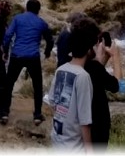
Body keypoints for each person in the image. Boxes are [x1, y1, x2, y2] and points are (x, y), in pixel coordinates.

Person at [0, 0, 56, 125]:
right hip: (33, 56)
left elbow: (8, 35)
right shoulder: (41, 22)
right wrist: (47, 52)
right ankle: (37, 115)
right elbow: (50, 40)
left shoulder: (18, 19)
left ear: (26, 7)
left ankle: (4, 113)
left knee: (9, 84)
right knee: (37, 85)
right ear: (38, 10)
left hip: (17, 55)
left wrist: (5, 52)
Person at [50, 19, 97, 151]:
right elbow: (85, 121)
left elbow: (53, 102)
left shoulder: (61, 70)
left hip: (57, 140)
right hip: (74, 147)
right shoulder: (83, 77)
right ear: (89, 50)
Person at [85, 30, 125, 148]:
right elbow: (122, 88)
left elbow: (96, 75)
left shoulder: (78, 66)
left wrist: (100, 61)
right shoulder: (95, 69)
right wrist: (116, 56)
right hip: (98, 128)